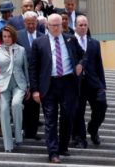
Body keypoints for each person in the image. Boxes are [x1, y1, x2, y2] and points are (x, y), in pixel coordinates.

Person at [29, 13, 85, 163]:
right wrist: (34, 89)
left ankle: (63, 147)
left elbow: (82, 55)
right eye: (53, 25)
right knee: (50, 119)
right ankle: (53, 152)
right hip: (49, 85)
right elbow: (33, 68)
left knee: (67, 116)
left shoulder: (70, 39)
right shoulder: (39, 42)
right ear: (47, 25)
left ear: (62, 25)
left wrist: (80, 64)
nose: (55, 28)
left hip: (68, 83)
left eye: (58, 25)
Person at [0, 25, 29, 152]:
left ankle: (18, 136)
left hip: (19, 84)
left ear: (13, 36)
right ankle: (8, 145)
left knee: (16, 104)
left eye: (9, 36)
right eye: (4, 36)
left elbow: (25, 69)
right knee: (4, 111)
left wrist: (28, 86)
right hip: (2, 85)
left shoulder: (21, 50)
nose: (6, 39)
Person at [72, 15, 107, 148]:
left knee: (101, 106)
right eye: (80, 25)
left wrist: (102, 85)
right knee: (78, 111)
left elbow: (99, 64)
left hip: (93, 82)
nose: (83, 27)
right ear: (75, 26)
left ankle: (93, 129)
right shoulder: (69, 41)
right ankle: (80, 138)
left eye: (85, 25)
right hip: (77, 83)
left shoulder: (94, 43)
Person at [16, 11, 43, 140]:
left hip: (38, 76)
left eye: (33, 23)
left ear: (37, 23)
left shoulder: (43, 36)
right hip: (21, 75)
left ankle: (32, 132)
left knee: (35, 104)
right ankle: (23, 129)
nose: (31, 26)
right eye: (28, 23)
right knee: (24, 103)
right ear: (24, 23)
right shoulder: (18, 35)